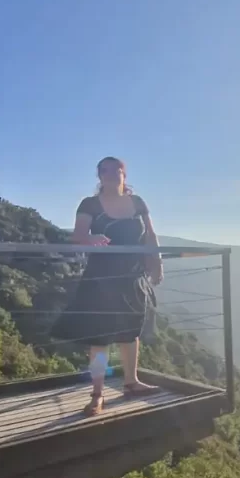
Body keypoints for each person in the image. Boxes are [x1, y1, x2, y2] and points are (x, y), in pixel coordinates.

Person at [53, 156, 163, 416]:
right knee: (99, 339)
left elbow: (150, 235)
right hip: (101, 278)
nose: (110, 174)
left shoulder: (137, 202)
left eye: (115, 169)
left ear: (124, 173)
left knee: (130, 333)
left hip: (132, 277)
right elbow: (77, 237)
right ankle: (97, 393)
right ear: (98, 175)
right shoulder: (90, 204)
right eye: (104, 170)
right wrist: (91, 238)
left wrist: (156, 263)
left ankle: (131, 382)